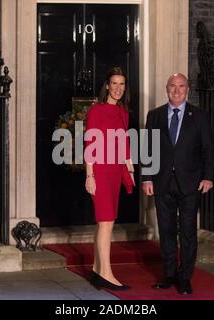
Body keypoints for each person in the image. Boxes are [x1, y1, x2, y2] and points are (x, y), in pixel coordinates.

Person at [142, 73, 214, 295]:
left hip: (191, 184)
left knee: (188, 232)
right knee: (165, 231)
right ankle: (169, 275)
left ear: (187, 89)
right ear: (167, 88)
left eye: (181, 86)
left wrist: (208, 177)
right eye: (173, 86)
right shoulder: (154, 116)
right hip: (162, 182)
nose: (176, 90)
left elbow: (208, 150)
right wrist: (147, 177)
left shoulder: (199, 116)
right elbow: (148, 149)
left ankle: (185, 277)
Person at [84, 67, 135, 291]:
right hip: (101, 171)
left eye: (122, 84)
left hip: (115, 171)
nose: (118, 88)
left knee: (105, 222)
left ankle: (97, 269)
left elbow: (124, 143)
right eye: (114, 83)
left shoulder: (123, 112)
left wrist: (129, 168)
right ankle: (106, 273)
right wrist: (89, 175)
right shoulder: (96, 110)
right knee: (106, 222)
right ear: (107, 85)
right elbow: (90, 144)